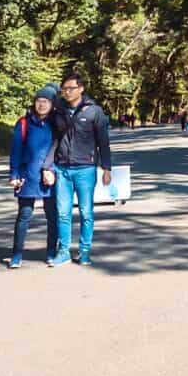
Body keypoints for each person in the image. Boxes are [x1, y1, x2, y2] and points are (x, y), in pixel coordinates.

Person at [52, 71, 112, 266]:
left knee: (86, 212)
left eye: (71, 88)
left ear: (81, 89)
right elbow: (52, 139)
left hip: (85, 168)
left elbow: (103, 141)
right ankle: (64, 251)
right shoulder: (58, 111)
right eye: (64, 89)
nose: (67, 92)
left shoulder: (94, 111)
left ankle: (84, 251)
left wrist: (106, 168)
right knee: (62, 212)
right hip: (62, 168)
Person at [7, 86, 58, 268]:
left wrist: (51, 169)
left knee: (52, 216)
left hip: (50, 176)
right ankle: (17, 255)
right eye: (39, 100)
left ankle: (52, 252)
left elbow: (59, 149)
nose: (42, 104)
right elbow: (16, 150)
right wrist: (14, 174)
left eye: (46, 101)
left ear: (53, 104)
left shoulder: (57, 123)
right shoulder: (24, 123)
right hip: (27, 175)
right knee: (24, 215)